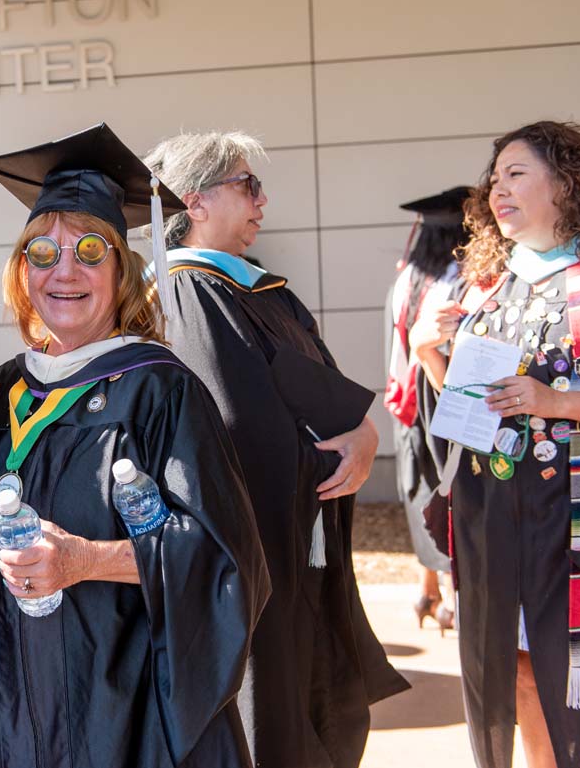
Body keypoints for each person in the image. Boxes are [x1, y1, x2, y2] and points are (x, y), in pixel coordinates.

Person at [0, 123, 271, 768]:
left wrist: (85, 560)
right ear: (21, 271)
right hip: (15, 710)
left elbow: (224, 555)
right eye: (42, 252)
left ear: (122, 270)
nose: (64, 271)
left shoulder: (159, 390)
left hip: (133, 715)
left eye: (90, 251)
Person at [144, 130, 409, 768]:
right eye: (248, 185)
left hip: (299, 536)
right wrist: (330, 454)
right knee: (273, 702)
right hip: (261, 544)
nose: (262, 200)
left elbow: (318, 385)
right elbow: (238, 427)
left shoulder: (253, 288)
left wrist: (363, 434)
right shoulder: (189, 291)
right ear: (194, 201)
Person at [410, 121, 580, 768]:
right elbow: (471, 414)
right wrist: (430, 354)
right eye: (494, 179)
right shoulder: (486, 287)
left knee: (577, 673)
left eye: (516, 174)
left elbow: (550, 401)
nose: (498, 190)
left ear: (566, 183)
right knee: (515, 668)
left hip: (572, 522)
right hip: (494, 519)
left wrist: (554, 402)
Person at [385, 187, 472, 632]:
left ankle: (427, 589)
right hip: (442, 400)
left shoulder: (405, 279)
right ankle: (453, 599)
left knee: (421, 491)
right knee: (450, 493)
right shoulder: (461, 282)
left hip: (407, 406)